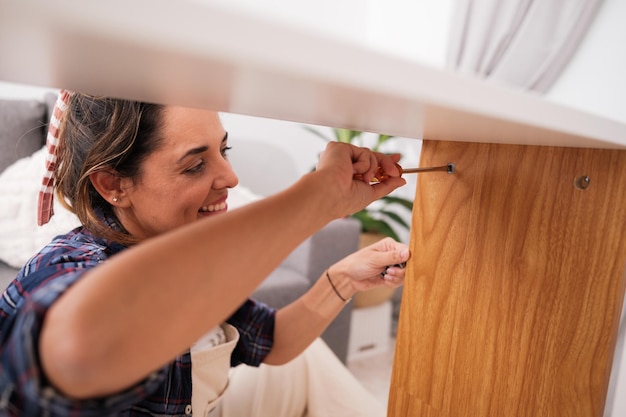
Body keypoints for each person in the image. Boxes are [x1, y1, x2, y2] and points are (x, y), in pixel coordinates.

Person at [0, 91, 410, 416]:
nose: (230, 177)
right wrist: (319, 197)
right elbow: (77, 350)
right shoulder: (67, 264)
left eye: (223, 152)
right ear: (113, 185)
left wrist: (344, 278)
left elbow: (273, 340)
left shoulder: (184, 247)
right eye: (195, 165)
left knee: (308, 361)